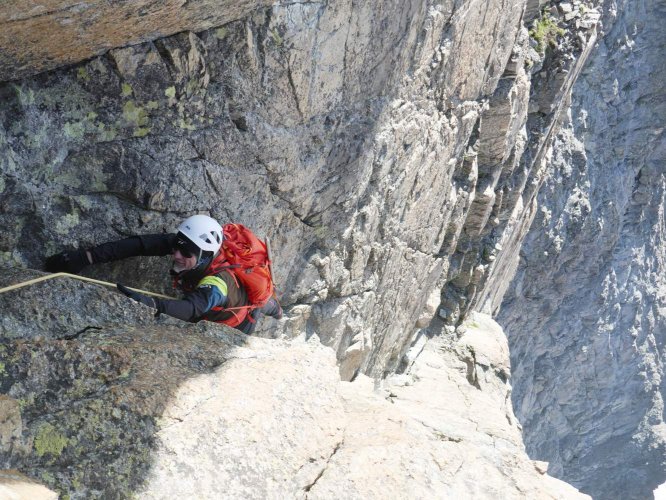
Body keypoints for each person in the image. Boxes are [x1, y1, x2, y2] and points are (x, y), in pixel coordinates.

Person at [44, 215, 282, 334]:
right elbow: (139, 245)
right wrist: (86, 258)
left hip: (238, 319)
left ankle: (276, 310)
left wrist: (151, 304)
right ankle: (276, 308)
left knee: (259, 305)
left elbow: (193, 309)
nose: (176, 254)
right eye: (176, 247)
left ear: (205, 254)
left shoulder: (217, 284)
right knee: (263, 302)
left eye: (184, 252)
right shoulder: (189, 245)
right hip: (227, 293)